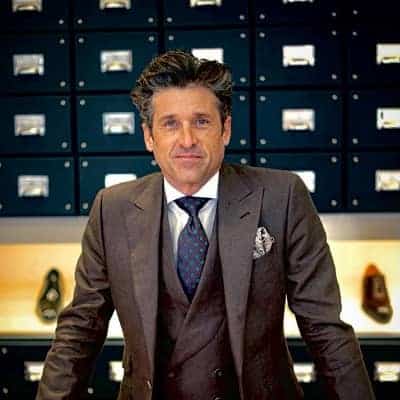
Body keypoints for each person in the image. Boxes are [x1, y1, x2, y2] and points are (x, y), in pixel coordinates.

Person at [36, 50, 375, 400]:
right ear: (149, 136)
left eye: (201, 122)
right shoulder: (112, 209)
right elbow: (80, 330)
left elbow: (325, 327)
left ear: (225, 129)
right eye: (170, 124)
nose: (187, 140)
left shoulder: (283, 196)